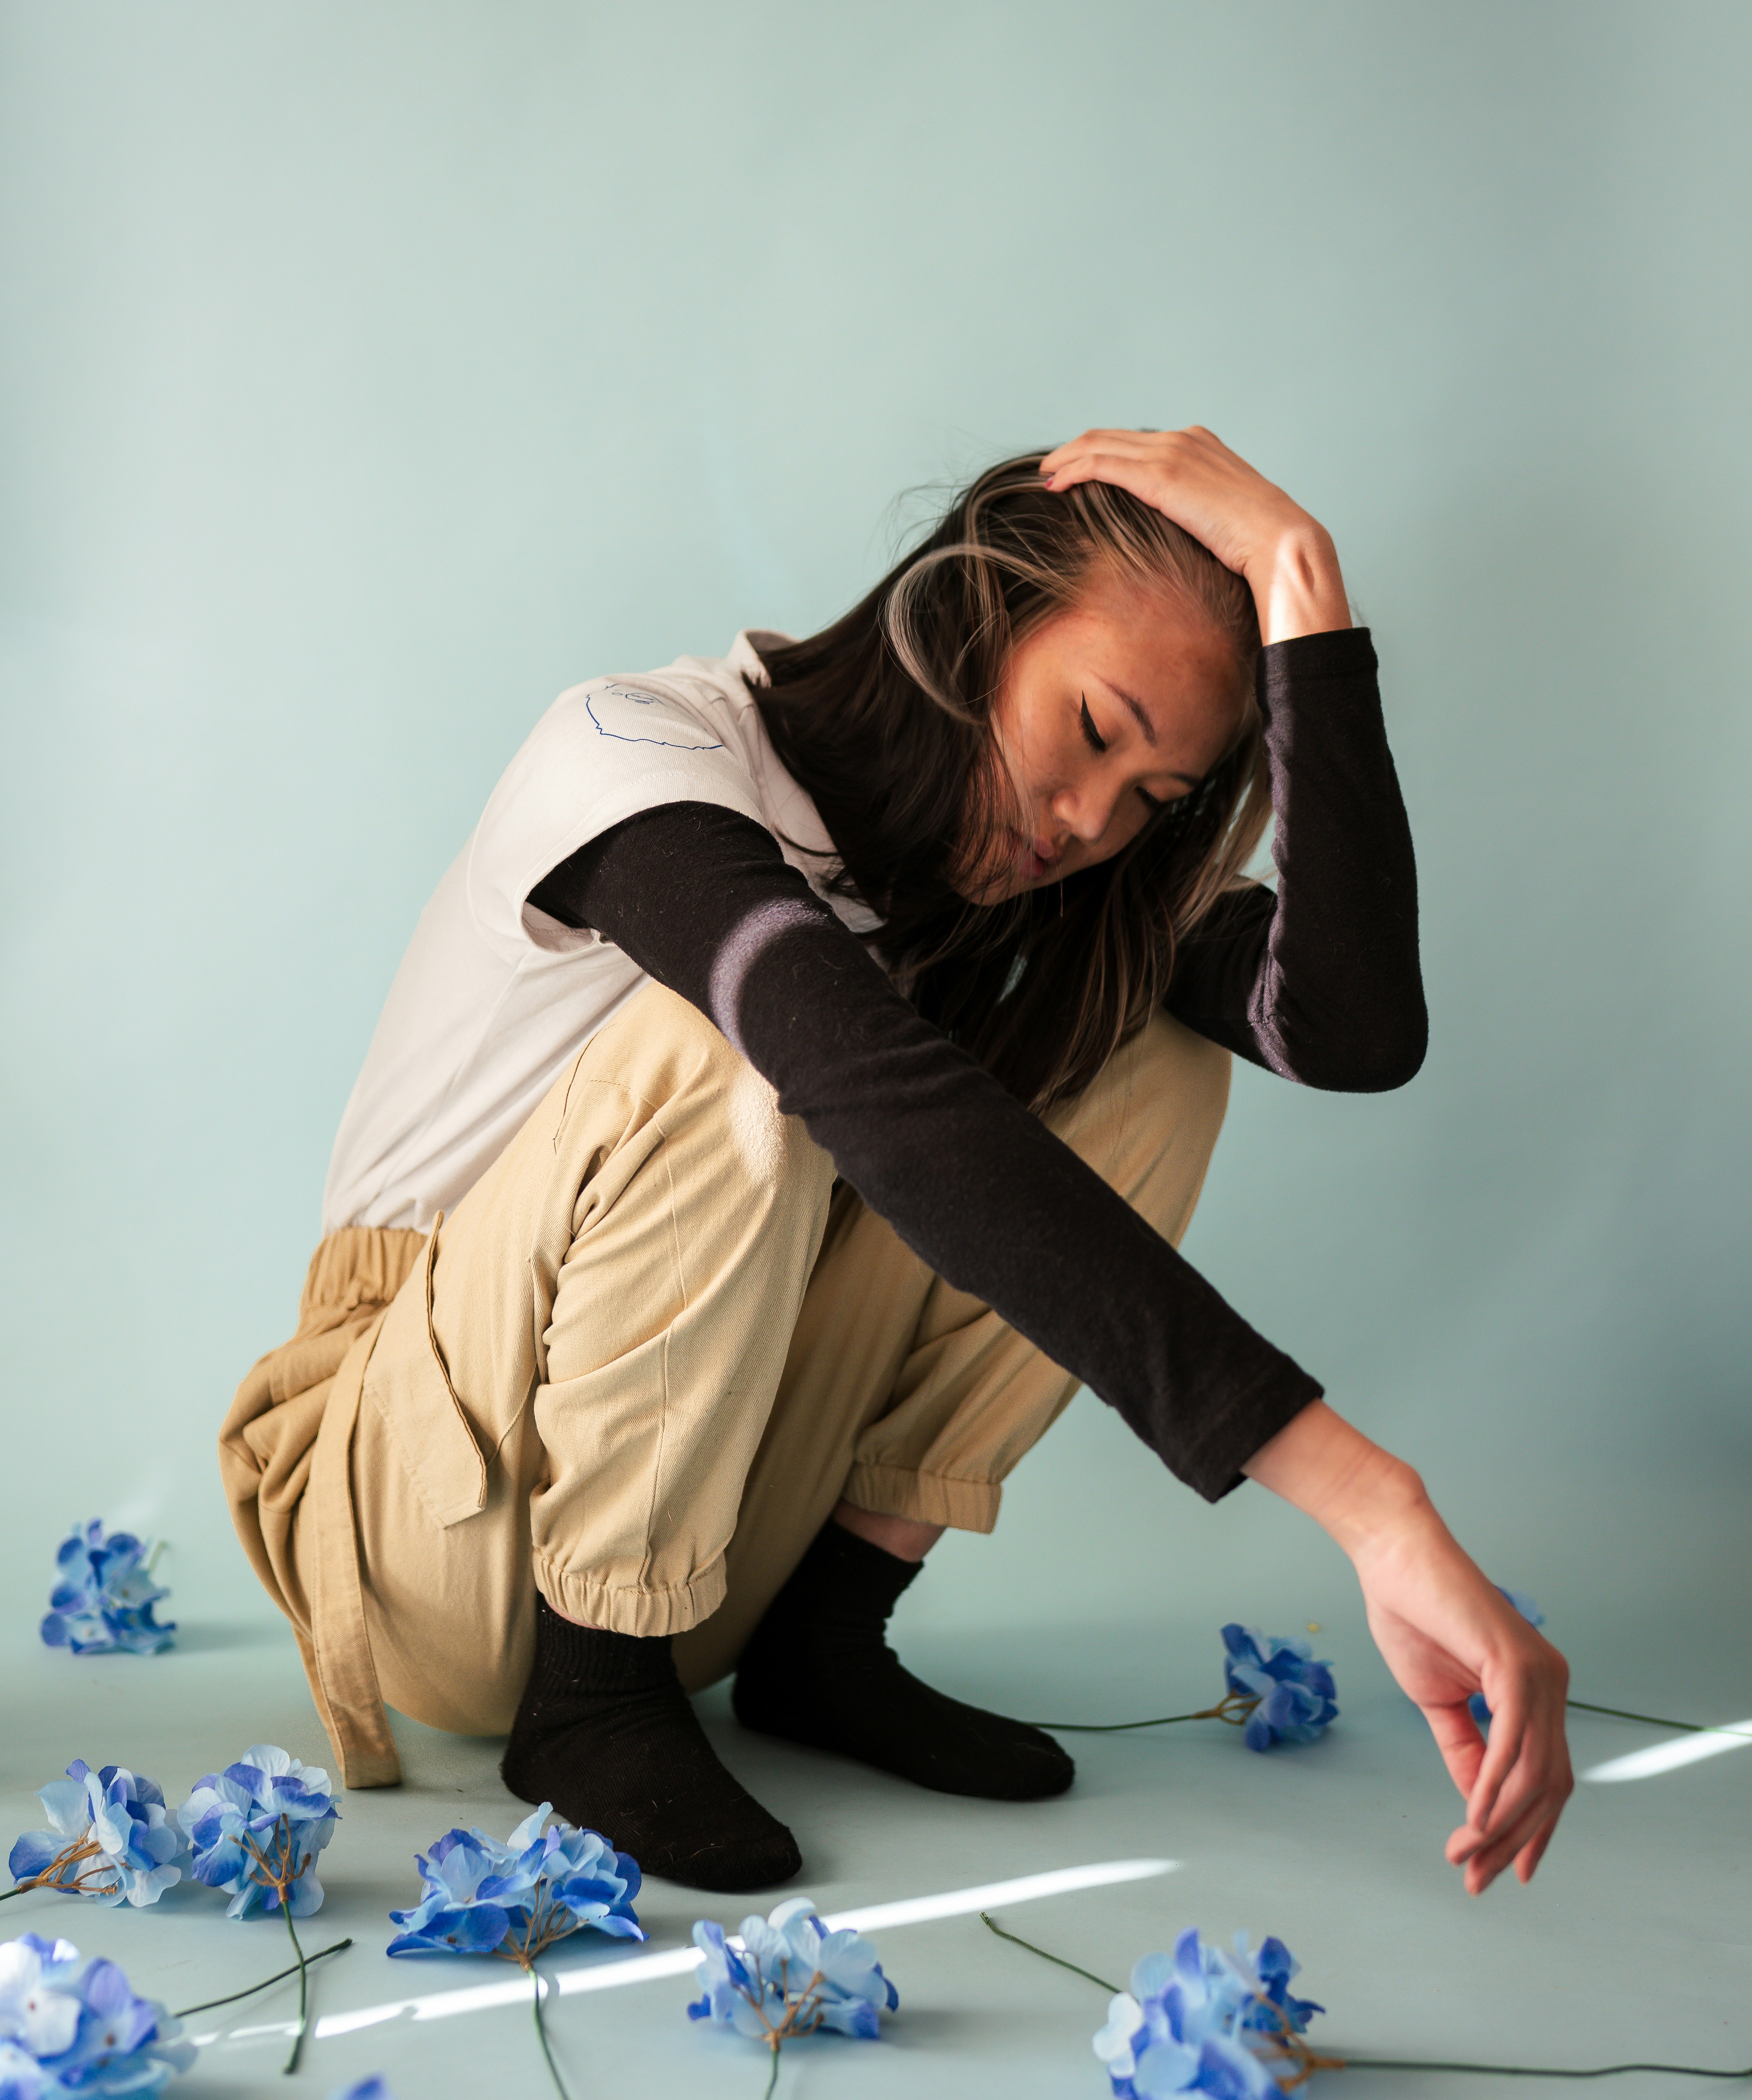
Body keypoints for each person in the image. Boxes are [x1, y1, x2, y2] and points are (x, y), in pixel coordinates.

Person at [221, 426, 1572, 1903]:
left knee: (1154, 1048)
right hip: (412, 1511)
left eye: (1154, 797)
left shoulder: (1023, 870)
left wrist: (1308, 597)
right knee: (746, 1039)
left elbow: (1349, 1030)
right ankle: (592, 1698)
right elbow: (869, 1087)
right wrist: (1368, 1502)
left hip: (717, 1523)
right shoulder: (636, 755)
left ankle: (822, 1639)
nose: (1088, 823)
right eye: (1094, 731)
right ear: (969, 617)